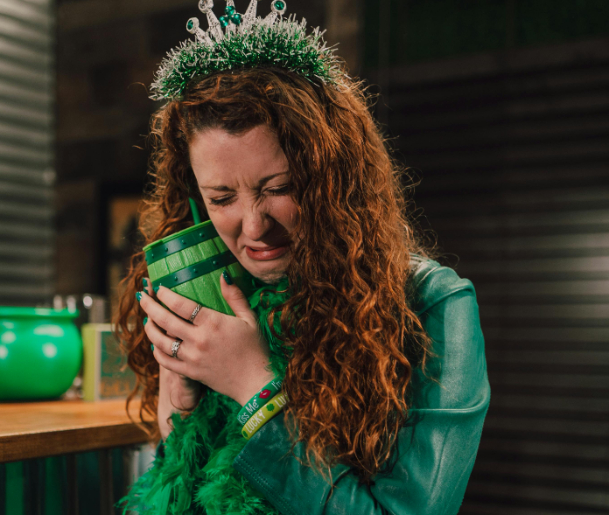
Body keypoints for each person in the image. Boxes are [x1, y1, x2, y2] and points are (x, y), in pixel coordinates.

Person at [116, 2, 490, 514]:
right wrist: (179, 413)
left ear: (332, 179)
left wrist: (253, 385)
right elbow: (186, 492)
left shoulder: (433, 305)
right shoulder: (217, 295)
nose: (253, 227)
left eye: (280, 187)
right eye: (221, 198)